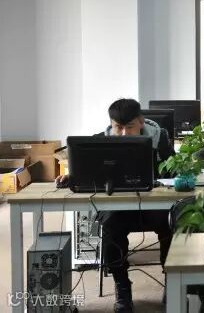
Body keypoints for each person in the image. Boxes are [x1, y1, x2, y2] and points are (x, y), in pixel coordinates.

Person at [55, 99, 175, 312]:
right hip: (118, 207)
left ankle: (171, 280)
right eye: (118, 127)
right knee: (110, 226)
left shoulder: (161, 138)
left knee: (171, 221)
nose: (123, 133)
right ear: (111, 124)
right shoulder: (101, 141)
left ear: (141, 122)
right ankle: (122, 286)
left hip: (153, 204)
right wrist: (71, 176)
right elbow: (86, 170)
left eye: (129, 127)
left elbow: (175, 171)